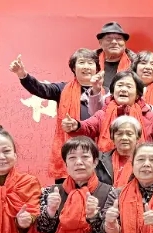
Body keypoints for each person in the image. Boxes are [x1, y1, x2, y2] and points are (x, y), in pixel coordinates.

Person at [11, 48, 99, 178]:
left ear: (97, 68)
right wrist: (23, 75)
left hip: (98, 154)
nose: (86, 66)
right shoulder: (62, 89)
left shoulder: (106, 92)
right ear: (73, 68)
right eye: (81, 62)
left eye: (90, 63)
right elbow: (41, 89)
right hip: (70, 151)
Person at [71, 71, 153, 154]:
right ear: (112, 92)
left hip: (139, 163)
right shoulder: (102, 114)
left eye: (129, 86)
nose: (123, 89)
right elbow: (88, 126)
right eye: (120, 85)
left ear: (137, 95)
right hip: (108, 164)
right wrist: (76, 125)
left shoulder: (150, 116)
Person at [95, 22, 134, 88]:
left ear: (125, 43)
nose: (114, 42)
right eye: (109, 39)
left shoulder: (135, 62)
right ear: (100, 43)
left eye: (119, 39)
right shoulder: (91, 61)